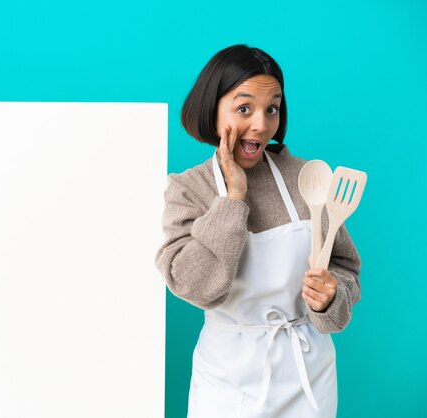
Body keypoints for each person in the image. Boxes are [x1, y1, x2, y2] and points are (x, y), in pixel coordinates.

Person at [154, 44, 361, 418]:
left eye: (272, 109)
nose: (261, 125)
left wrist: (330, 298)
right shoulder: (189, 189)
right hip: (228, 380)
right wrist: (234, 197)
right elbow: (195, 287)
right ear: (212, 107)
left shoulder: (308, 179)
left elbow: (345, 268)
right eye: (244, 108)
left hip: (308, 374)